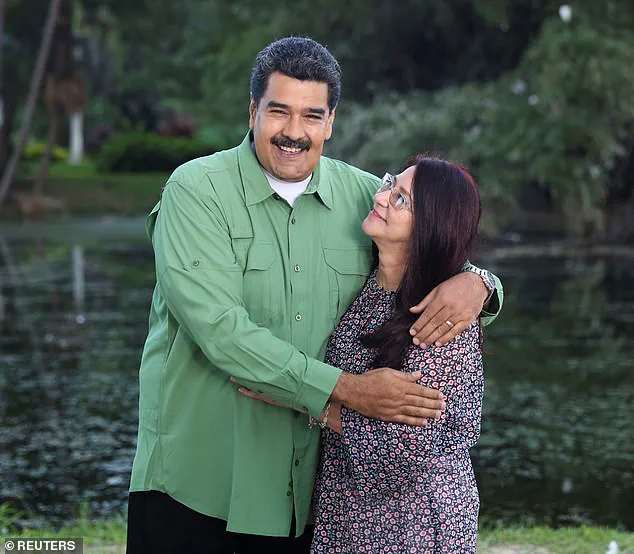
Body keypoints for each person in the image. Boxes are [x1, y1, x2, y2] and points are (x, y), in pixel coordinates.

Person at [125, 37, 503, 553]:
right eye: (279, 111)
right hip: (196, 485)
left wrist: (480, 283)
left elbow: (435, 238)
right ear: (253, 111)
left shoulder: (364, 196)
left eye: (311, 115)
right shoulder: (195, 192)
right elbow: (220, 332)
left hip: (304, 500)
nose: (294, 132)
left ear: (330, 122)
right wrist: (347, 390)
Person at [310, 157, 487, 553]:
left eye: (402, 199)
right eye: (391, 184)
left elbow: (408, 447)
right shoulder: (369, 288)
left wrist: (303, 400)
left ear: (430, 228)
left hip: (413, 523)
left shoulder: (440, 319)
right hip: (347, 509)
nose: (382, 197)